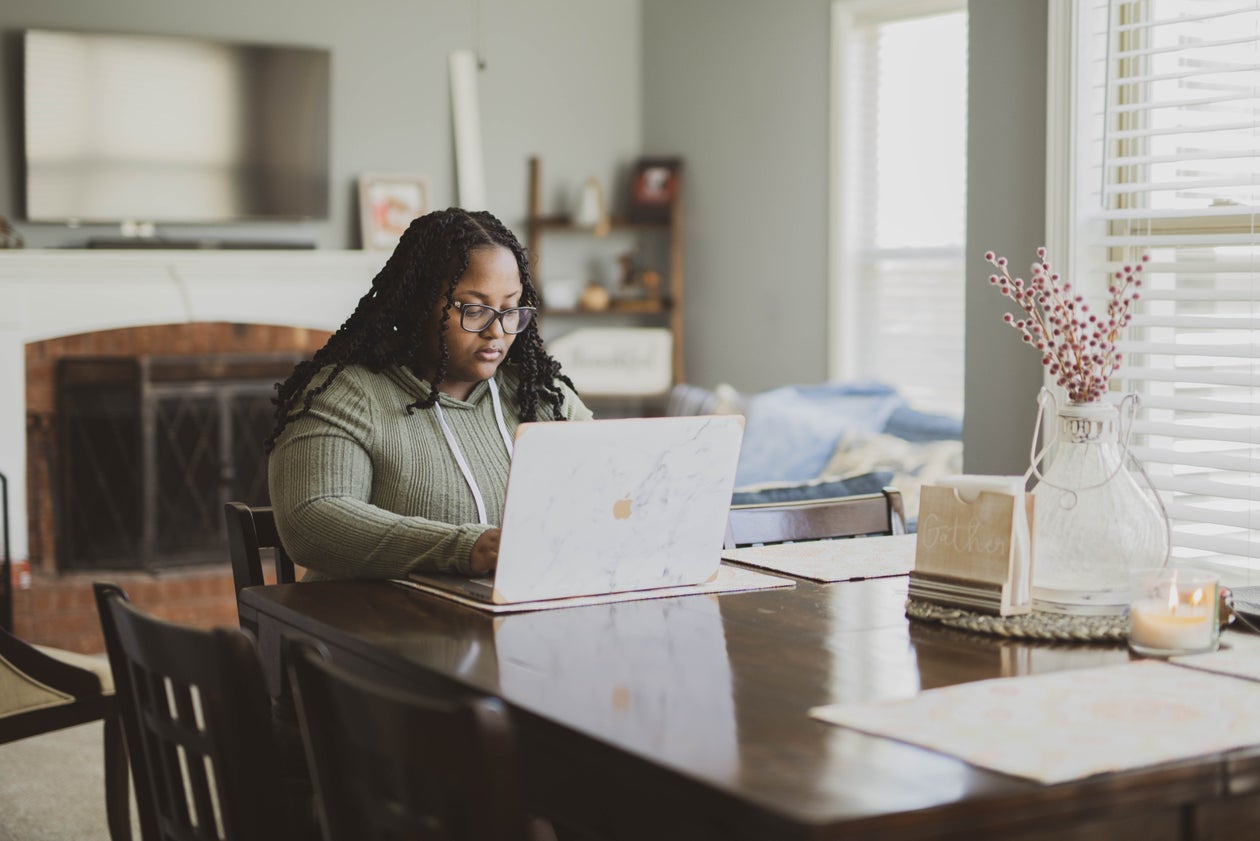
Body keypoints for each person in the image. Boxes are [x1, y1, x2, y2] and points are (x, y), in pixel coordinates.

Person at [266, 208, 592, 581]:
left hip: (514, 622)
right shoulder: (345, 394)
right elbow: (313, 520)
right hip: (373, 627)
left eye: (509, 309)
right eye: (475, 309)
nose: (497, 331)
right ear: (418, 305)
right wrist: (467, 548)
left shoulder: (541, 394)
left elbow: (613, 482)